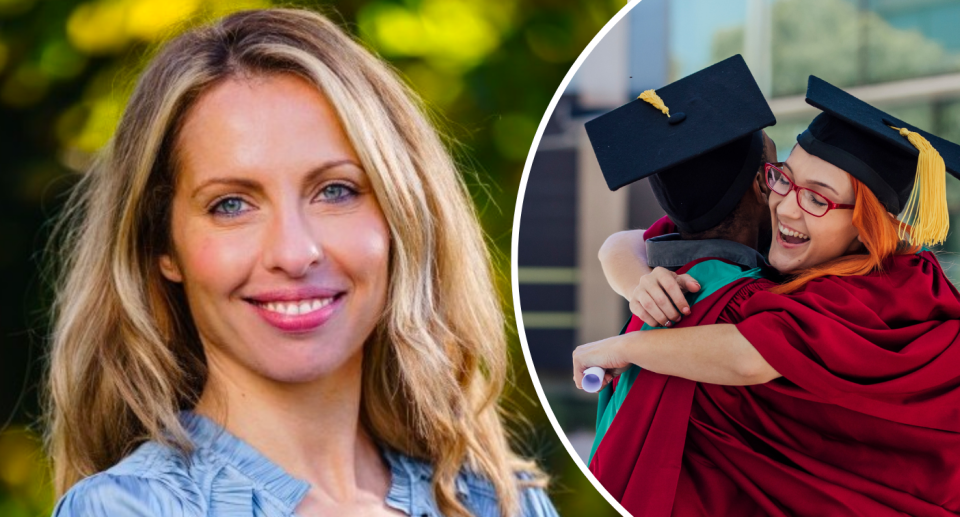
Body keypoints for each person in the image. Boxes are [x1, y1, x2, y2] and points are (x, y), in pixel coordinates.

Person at [46, 9, 557, 517]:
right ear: (163, 246)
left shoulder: (504, 501)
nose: (293, 253)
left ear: (402, 217)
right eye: (231, 204)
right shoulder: (127, 508)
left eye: (335, 191)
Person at [576, 75, 960, 516]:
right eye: (782, 179)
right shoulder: (894, 274)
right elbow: (623, 243)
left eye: (818, 199)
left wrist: (621, 347)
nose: (787, 206)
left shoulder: (863, 301)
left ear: (867, 226)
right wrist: (637, 283)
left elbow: (752, 354)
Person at [582, 55, 779, 466]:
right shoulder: (749, 304)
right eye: (777, 173)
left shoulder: (658, 292)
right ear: (763, 183)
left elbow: (619, 243)